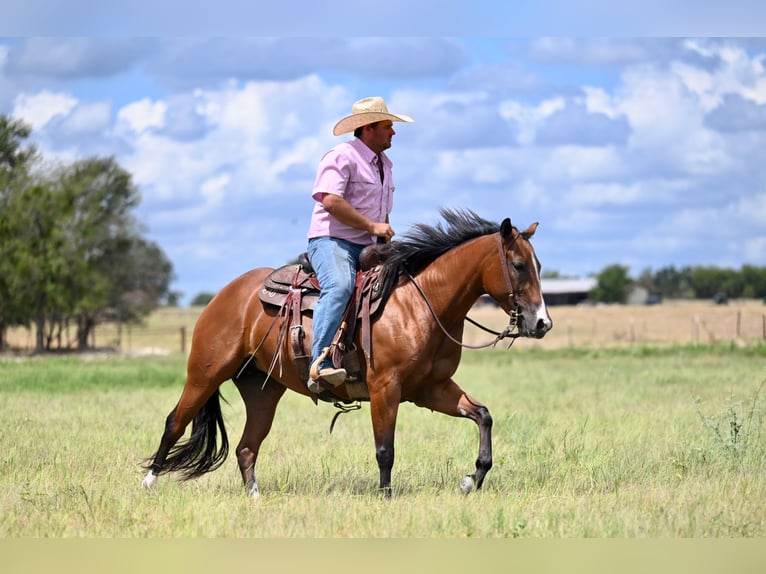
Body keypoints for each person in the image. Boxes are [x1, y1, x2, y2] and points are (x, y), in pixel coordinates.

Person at [306, 96, 414, 393]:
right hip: (332, 241)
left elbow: (381, 211)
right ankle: (320, 364)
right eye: (387, 126)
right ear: (368, 128)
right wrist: (371, 227)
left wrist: (383, 236)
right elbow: (331, 201)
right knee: (340, 286)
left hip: (371, 245)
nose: (393, 132)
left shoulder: (385, 165)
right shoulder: (340, 156)